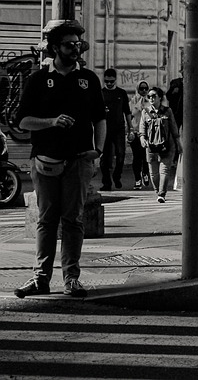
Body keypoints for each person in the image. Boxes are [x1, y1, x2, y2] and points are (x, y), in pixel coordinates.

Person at [12, 20, 106, 299]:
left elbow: (100, 118)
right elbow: (23, 122)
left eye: (78, 44)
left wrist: (98, 150)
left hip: (79, 161)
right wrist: (52, 122)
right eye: (69, 44)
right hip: (45, 161)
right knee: (47, 220)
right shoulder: (38, 80)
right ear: (55, 48)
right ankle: (41, 277)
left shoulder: (88, 79)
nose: (75, 49)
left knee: (74, 219)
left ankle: (71, 278)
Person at [139, 87, 182, 203]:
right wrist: (143, 139)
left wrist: (179, 144)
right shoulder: (145, 112)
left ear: (160, 98)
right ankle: (157, 190)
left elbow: (174, 129)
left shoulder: (168, 111)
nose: (151, 98)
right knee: (153, 173)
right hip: (151, 146)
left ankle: (162, 193)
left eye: (154, 96)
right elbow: (142, 129)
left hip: (167, 145)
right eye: (149, 96)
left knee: (164, 170)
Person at [99, 68, 131, 191]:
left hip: (119, 128)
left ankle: (117, 176)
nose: (109, 84)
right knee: (105, 158)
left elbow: (127, 111)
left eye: (111, 81)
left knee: (121, 154)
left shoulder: (121, 93)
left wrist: (130, 128)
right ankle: (106, 182)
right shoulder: (101, 93)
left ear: (115, 80)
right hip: (105, 129)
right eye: (107, 81)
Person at [128, 81, 151, 189]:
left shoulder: (150, 100)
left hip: (147, 132)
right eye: (141, 89)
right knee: (136, 156)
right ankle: (137, 179)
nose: (144, 91)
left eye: (146, 88)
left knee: (145, 155)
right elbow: (131, 113)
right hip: (135, 131)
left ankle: (145, 173)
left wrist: (146, 105)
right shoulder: (133, 101)